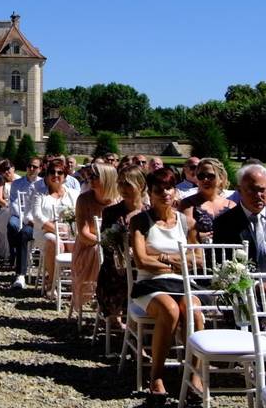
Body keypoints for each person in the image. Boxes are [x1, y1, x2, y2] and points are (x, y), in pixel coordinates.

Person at [129, 167, 200, 399]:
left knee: (195, 311)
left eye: (169, 187)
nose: (165, 193)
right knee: (170, 310)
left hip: (180, 283)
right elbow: (141, 261)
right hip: (149, 284)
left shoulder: (185, 222)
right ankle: (156, 375)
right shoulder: (140, 221)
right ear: (149, 192)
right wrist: (177, 263)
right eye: (158, 189)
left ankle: (194, 374)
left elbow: (197, 258)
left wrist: (162, 257)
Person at [96, 165, 150, 320]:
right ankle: (117, 314)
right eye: (120, 183)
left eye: (128, 184)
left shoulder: (149, 212)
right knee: (117, 273)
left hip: (143, 264)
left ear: (141, 185)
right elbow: (106, 244)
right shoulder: (111, 212)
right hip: (116, 265)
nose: (123, 188)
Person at [70, 163, 119, 315]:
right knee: (100, 254)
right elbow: (83, 234)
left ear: (107, 178)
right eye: (89, 175)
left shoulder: (119, 201)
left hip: (116, 250)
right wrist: (104, 242)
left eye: (94, 176)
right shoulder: (84, 200)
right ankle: (109, 309)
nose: (89, 179)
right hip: (88, 248)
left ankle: (119, 308)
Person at [31, 157, 78, 295]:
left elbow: (78, 215)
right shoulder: (40, 193)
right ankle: (52, 282)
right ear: (47, 174)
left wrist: (68, 230)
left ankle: (74, 282)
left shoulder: (73, 194)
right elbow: (37, 216)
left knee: (77, 244)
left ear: (65, 176)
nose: (55, 175)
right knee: (54, 241)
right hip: (45, 231)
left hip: (69, 232)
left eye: (59, 173)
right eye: (52, 172)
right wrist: (56, 229)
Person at [7, 157, 44, 289]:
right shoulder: (17, 183)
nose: (31, 169)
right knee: (15, 226)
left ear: (40, 169)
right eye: (29, 166)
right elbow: (13, 203)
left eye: (34, 167)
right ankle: (19, 271)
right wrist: (25, 219)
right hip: (23, 216)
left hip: (44, 223)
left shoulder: (44, 185)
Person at [179, 158, 236, 242]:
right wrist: (198, 236)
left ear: (221, 178)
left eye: (210, 176)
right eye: (201, 176)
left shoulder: (231, 205)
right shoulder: (187, 204)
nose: (205, 180)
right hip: (198, 253)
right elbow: (183, 233)